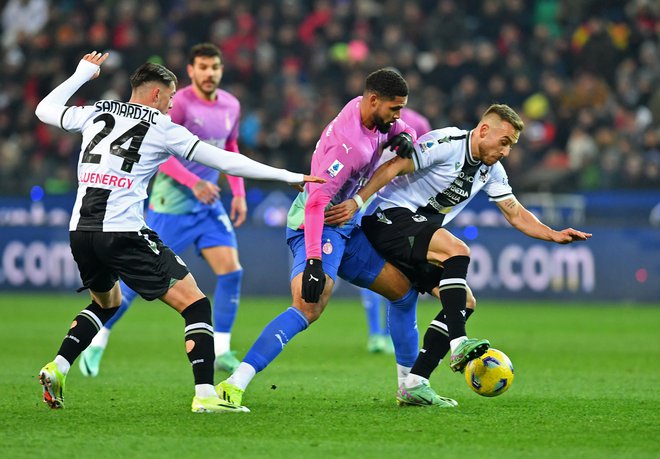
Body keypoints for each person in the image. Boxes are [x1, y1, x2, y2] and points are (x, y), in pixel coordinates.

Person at [34, 51, 324, 413]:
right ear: (156, 95)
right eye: (170, 98)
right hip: (123, 231)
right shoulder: (161, 126)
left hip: (80, 230)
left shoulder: (96, 111)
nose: (172, 106)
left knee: (105, 303)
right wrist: (290, 176)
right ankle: (205, 396)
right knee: (197, 304)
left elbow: (44, 110)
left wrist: (81, 74)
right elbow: (226, 160)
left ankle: (57, 366)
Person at [216, 69, 472, 411]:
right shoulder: (347, 147)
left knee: (404, 292)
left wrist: (407, 135)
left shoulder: (372, 113)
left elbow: (403, 128)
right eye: (395, 110)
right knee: (309, 306)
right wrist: (313, 261)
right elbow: (316, 203)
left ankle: (411, 386)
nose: (398, 117)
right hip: (317, 226)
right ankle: (233, 385)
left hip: (348, 226)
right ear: (373, 101)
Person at [325, 103, 592, 405]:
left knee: (465, 301)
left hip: (415, 231)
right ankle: (459, 342)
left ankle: (415, 383)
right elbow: (394, 166)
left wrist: (553, 234)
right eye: (504, 142)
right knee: (457, 250)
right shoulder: (447, 143)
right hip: (388, 217)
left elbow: (515, 213)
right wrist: (359, 201)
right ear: (483, 130)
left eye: (511, 146)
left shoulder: (491, 170)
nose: (506, 151)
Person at [79, 43, 246, 378]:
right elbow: (160, 151)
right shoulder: (178, 103)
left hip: (208, 206)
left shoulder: (231, 104)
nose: (209, 73)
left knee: (231, 271)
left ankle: (222, 349)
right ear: (191, 70)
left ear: (221, 69)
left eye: (215, 67)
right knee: (131, 286)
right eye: (202, 67)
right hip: (172, 205)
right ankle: (98, 341)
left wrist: (238, 192)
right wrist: (193, 183)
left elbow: (230, 147)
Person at [360, 106, 432, 354]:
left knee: (388, 268)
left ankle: (384, 335)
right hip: (372, 194)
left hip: (396, 200)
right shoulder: (378, 118)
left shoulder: (414, 123)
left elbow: (426, 160)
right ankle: (377, 334)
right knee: (377, 266)